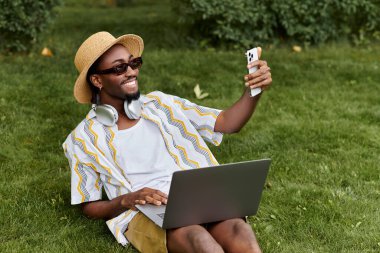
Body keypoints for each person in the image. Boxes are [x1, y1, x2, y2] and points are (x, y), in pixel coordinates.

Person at [63, 31, 272, 253]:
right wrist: (127, 200)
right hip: (145, 210)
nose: (131, 71)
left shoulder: (162, 104)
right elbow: (90, 205)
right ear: (97, 80)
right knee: (199, 240)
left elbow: (227, 122)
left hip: (198, 195)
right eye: (119, 68)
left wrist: (253, 91)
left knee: (240, 232)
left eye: (134, 63)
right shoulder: (82, 139)